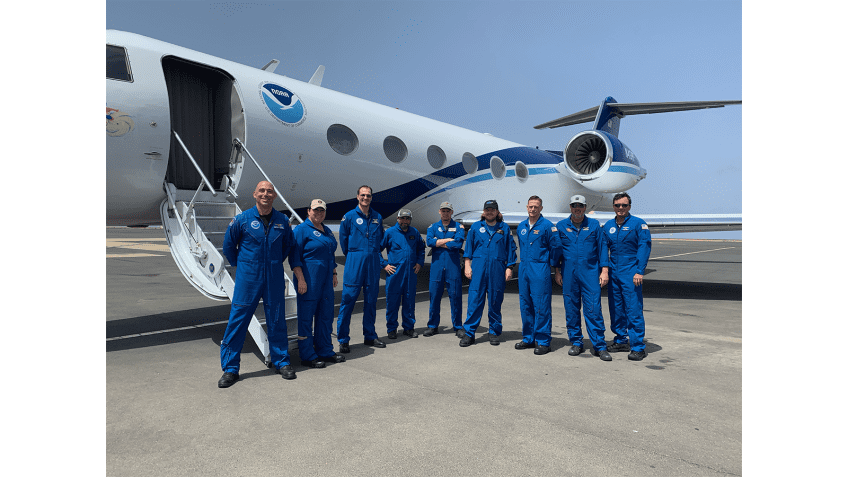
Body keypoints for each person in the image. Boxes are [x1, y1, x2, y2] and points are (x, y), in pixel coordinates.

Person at [218, 181, 296, 388]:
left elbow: (287, 245)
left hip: (274, 277)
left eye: (270, 191)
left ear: (274, 196)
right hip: (248, 278)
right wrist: (243, 266)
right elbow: (228, 246)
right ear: (254, 194)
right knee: (238, 321)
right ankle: (230, 368)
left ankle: (281, 361)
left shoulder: (282, 221)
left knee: (277, 320)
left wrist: (272, 263)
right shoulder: (242, 220)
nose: (266, 194)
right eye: (262, 191)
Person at [553, 195, 612, 361]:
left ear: (585, 207)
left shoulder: (594, 225)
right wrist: (557, 271)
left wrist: (604, 271)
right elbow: (557, 251)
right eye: (574, 205)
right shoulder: (561, 226)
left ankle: (599, 346)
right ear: (570, 207)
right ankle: (576, 342)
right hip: (569, 274)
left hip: (590, 273)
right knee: (571, 310)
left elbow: (602, 248)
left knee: (593, 310)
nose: (577, 208)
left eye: (580, 206)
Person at [290, 199, 346, 369]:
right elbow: (294, 257)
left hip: (326, 280)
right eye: (316, 210)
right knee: (306, 318)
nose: (319, 213)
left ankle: (325, 350)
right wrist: (300, 279)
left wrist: (335, 273)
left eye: (322, 211)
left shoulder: (327, 231)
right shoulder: (301, 230)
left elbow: (330, 255)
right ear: (309, 211)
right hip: (309, 279)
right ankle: (307, 354)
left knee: (325, 316)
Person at [601, 192, 652, 361]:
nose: (620, 208)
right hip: (614, 272)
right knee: (616, 308)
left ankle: (637, 346)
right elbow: (603, 249)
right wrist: (605, 270)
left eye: (624, 205)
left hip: (631, 272)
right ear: (613, 206)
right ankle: (621, 339)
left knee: (633, 308)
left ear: (629, 206)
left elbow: (644, 247)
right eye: (617, 205)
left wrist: (639, 271)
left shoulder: (638, 224)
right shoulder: (608, 225)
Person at [460, 200, 517, 347]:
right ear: (483, 212)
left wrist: (509, 267)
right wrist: (467, 265)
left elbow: (511, 249)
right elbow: (469, 249)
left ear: (497, 212)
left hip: (497, 270)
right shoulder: (475, 227)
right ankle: (469, 333)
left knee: (495, 302)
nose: (490, 212)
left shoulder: (504, 228)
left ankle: (494, 332)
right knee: (474, 302)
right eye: (487, 210)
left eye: (493, 210)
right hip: (478, 270)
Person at [336, 185, 386, 353]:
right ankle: (343, 339)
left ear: (371, 198)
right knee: (348, 300)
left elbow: (380, 241)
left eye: (368, 195)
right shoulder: (349, 217)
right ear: (357, 196)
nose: (366, 198)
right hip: (354, 261)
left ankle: (370, 335)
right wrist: (354, 255)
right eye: (363, 195)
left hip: (372, 263)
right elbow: (343, 241)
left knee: (371, 301)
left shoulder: (377, 217)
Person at [515, 196, 558, 355]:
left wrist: (553, 266)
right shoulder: (522, 226)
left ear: (541, 208)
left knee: (541, 305)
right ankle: (528, 338)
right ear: (527, 207)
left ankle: (543, 341)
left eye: (536, 207)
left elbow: (556, 247)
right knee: (525, 304)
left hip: (540, 268)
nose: (533, 209)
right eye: (530, 206)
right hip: (524, 267)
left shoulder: (547, 226)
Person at [381, 209, 426, 339]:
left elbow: (421, 248)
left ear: (410, 220)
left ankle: (409, 328)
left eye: (407, 219)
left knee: (409, 301)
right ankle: (391, 329)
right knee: (392, 302)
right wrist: (384, 265)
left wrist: (419, 262)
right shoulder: (389, 233)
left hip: (410, 273)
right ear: (398, 219)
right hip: (395, 273)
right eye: (402, 218)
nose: (405, 221)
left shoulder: (414, 232)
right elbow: (377, 249)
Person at [425, 202, 465, 337]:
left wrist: (439, 242)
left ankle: (458, 326)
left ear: (451, 212)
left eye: (448, 211)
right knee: (434, 296)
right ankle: (432, 326)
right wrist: (448, 240)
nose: (445, 213)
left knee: (455, 296)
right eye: (443, 211)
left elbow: (458, 243)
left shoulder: (458, 227)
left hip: (452, 266)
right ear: (439, 212)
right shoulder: (433, 227)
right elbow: (429, 242)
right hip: (437, 267)